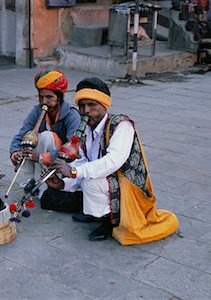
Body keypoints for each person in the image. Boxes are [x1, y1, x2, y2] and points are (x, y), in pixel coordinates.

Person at [47, 77, 179, 244]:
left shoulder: (121, 125)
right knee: (82, 171)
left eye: (91, 105)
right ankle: (98, 213)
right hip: (108, 181)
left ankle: (110, 222)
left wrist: (74, 172)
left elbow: (112, 162)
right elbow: (83, 163)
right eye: (82, 106)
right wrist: (63, 183)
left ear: (104, 105)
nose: (85, 110)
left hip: (129, 187)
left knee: (90, 180)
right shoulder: (86, 128)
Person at [9, 70, 81, 210]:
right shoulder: (37, 111)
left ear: (59, 97)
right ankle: (32, 180)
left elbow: (74, 148)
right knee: (29, 136)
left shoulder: (72, 116)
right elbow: (21, 134)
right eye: (40, 97)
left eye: (49, 97)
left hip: (62, 162)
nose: (44, 101)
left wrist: (42, 157)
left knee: (47, 136)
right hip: (41, 158)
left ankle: (46, 185)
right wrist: (15, 152)